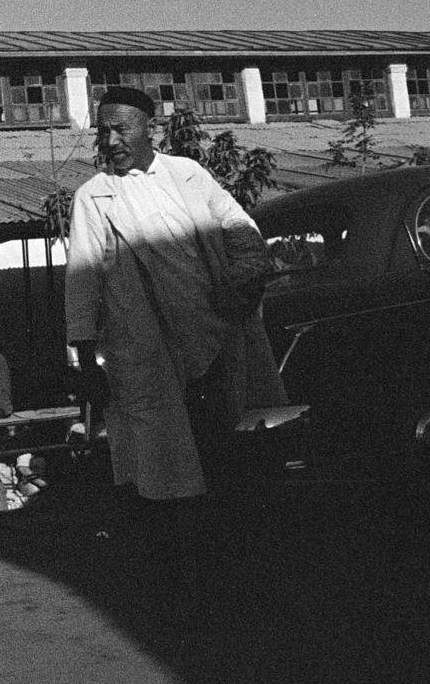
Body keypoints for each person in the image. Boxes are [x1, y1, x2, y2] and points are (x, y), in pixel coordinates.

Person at [64, 87, 286, 514]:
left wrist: (243, 280)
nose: (111, 141)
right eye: (103, 132)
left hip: (215, 340)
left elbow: (239, 226)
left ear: (151, 128)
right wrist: (86, 360)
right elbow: (82, 280)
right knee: (165, 470)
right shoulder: (93, 196)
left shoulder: (188, 174)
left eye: (121, 129)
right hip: (150, 348)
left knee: (224, 452)